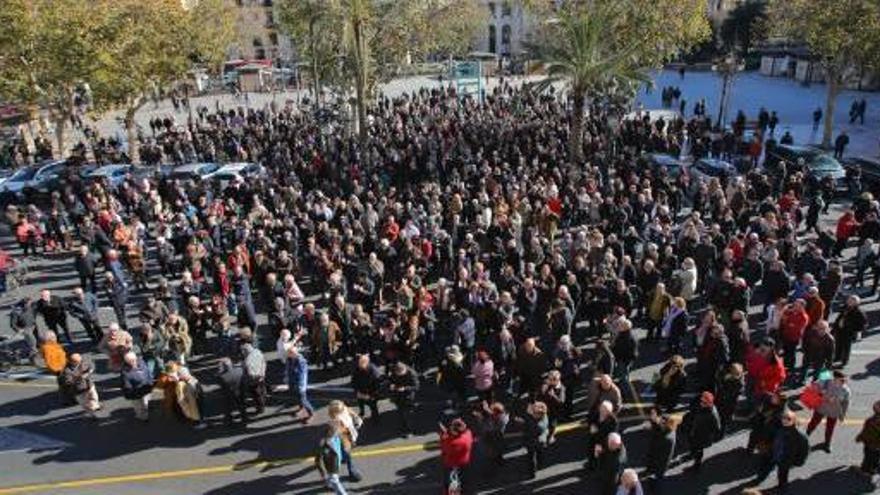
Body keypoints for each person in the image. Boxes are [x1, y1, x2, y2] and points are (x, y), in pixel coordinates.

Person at [752, 409, 809, 495]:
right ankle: (759, 479)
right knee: (765, 468)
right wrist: (763, 444)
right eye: (783, 418)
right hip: (772, 452)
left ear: (793, 420)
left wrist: (798, 461)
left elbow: (804, 450)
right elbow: (768, 434)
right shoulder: (777, 426)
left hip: (785, 459)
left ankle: (782, 486)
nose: (785, 420)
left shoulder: (799, 435)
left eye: (788, 419)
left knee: (782, 474)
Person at [806, 370, 851, 453]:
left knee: (830, 428)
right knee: (813, 423)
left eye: (842, 380)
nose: (841, 382)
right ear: (834, 378)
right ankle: (805, 437)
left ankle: (827, 443)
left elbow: (845, 403)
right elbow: (814, 388)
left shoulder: (845, 390)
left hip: (833, 411)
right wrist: (820, 392)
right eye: (838, 380)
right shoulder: (826, 383)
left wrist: (842, 415)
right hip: (821, 407)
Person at [682, 391, 721, 472]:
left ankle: (697, 465)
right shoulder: (703, 408)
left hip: (702, 436)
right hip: (694, 432)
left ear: (708, 403)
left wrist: (708, 433)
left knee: (699, 450)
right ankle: (692, 454)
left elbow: (717, 428)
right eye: (701, 401)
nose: (701, 403)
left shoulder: (712, 414)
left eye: (703, 402)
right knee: (693, 446)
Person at [328, 400, 364, 482]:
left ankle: (348, 466)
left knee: (347, 452)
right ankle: (352, 472)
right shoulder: (337, 418)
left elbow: (348, 410)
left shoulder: (341, 412)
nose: (343, 410)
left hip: (349, 435)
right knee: (348, 454)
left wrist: (356, 417)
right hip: (348, 436)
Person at [644, 409, 677, 493]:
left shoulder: (666, 437)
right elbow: (658, 429)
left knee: (658, 477)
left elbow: (657, 436)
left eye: (663, 421)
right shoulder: (669, 431)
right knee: (657, 474)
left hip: (660, 460)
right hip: (660, 459)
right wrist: (654, 420)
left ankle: (655, 490)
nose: (661, 421)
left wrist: (654, 422)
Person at [439, 418, 473, 494]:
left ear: (455, 431)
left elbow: (443, 445)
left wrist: (443, 433)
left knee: (450, 481)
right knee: (464, 479)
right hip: (464, 462)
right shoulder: (468, 435)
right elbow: (466, 430)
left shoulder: (449, 441)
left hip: (451, 464)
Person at [61, 353, 100, 419]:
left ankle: (95, 405)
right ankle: (92, 415)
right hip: (78, 390)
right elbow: (68, 382)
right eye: (78, 362)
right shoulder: (67, 371)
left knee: (94, 396)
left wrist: (89, 372)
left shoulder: (83, 361)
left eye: (80, 360)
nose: (81, 362)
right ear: (72, 362)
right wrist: (80, 378)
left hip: (89, 385)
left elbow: (91, 366)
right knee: (85, 404)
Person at [315, 420, 348, 495]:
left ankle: (328, 484)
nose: (339, 431)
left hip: (337, 462)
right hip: (331, 467)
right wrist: (322, 473)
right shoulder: (324, 443)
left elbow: (341, 444)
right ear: (330, 431)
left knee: (331, 478)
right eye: (337, 430)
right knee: (335, 481)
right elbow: (318, 460)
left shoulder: (336, 436)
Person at [120, 351, 154, 421]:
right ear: (126, 361)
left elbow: (148, 372)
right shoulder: (125, 372)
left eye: (134, 360)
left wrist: (150, 381)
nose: (133, 362)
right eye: (130, 361)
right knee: (138, 406)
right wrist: (131, 393)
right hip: (135, 393)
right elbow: (127, 386)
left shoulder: (141, 362)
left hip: (145, 388)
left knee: (145, 402)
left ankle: (145, 411)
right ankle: (141, 416)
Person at [833, 295, 866, 366]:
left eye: (851, 301)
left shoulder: (859, 312)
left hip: (848, 332)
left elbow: (863, 324)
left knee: (846, 348)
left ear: (856, 303)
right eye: (849, 300)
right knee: (838, 345)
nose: (849, 302)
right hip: (840, 330)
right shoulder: (845, 308)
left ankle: (844, 361)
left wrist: (854, 330)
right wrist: (835, 326)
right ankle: (837, 357)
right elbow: (840, 317)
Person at [389, 361, 419, 437]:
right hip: (398, 395)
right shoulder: (394, 370)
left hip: (408, 396)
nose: (399, 375)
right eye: (397, 374)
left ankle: (410, 430)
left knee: (408, 415)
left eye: (400, 374)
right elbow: (391, 379)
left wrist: (405, 388)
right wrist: (391, 384)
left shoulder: (412, 374)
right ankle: (404, 427)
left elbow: (416, 387)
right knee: (401, 413)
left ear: (404, 370)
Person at [215, 357, 247, 425]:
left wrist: (219, 371)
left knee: (228, 408)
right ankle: (244, 418)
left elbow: (220, 384)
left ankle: (229, 421)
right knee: (241, 405)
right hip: (240, 391)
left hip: (228, 394)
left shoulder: (221, 376)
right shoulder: (239, 370)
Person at [286, 346, 314, 423]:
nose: (287, 354)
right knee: (298, 398)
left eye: (289, 353)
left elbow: (302, 375)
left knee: (303, 400)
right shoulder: (290, 359)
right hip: (293, 382)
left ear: (294, 353)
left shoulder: (301, 362)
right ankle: (301, 409)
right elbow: (288, 369)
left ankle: (311, 413)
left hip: (299, 384)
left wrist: (301, 386)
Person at [351, 354, 382, 420]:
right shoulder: (357, 369)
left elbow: (378, 385)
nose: (359, 366)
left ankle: (375, 417)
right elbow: (353, 381)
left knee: (373, 407)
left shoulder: (374, 371)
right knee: (360, 404)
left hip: (370, 393)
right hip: (361, 392)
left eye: (361, 364)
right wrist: (357, 392)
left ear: (366, 362)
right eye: (359, 364)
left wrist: (371, 395)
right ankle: (362, 413)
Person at [855, 400, 880, 478]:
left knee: (868, 456)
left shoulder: (871, 421)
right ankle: (875, 468)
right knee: (877, 456)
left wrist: (859, 438)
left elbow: (866, 433)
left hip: (871, 444)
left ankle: (866, 470)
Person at [242, 341, 267, 416]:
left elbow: (250, 373)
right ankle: (263, 401)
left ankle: (260, 408)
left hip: (254, 380)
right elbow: (264, 362)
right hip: (261, 375)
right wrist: (262, 373)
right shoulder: (258, 351)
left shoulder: (247, 361)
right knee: (262, 390)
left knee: (256, 394)